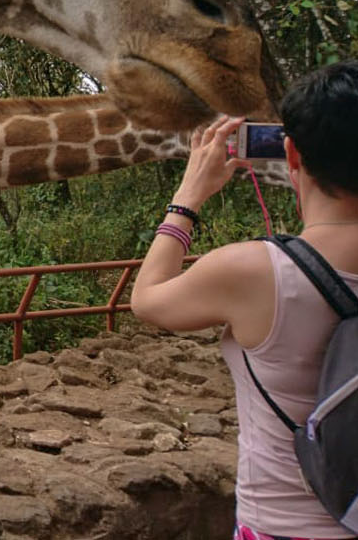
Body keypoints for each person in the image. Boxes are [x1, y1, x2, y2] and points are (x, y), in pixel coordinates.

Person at [132, 59, 358, 540]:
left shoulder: (254, 271)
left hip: (284, 527)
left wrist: (187, 197)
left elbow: (147, 299)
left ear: (291, 153)